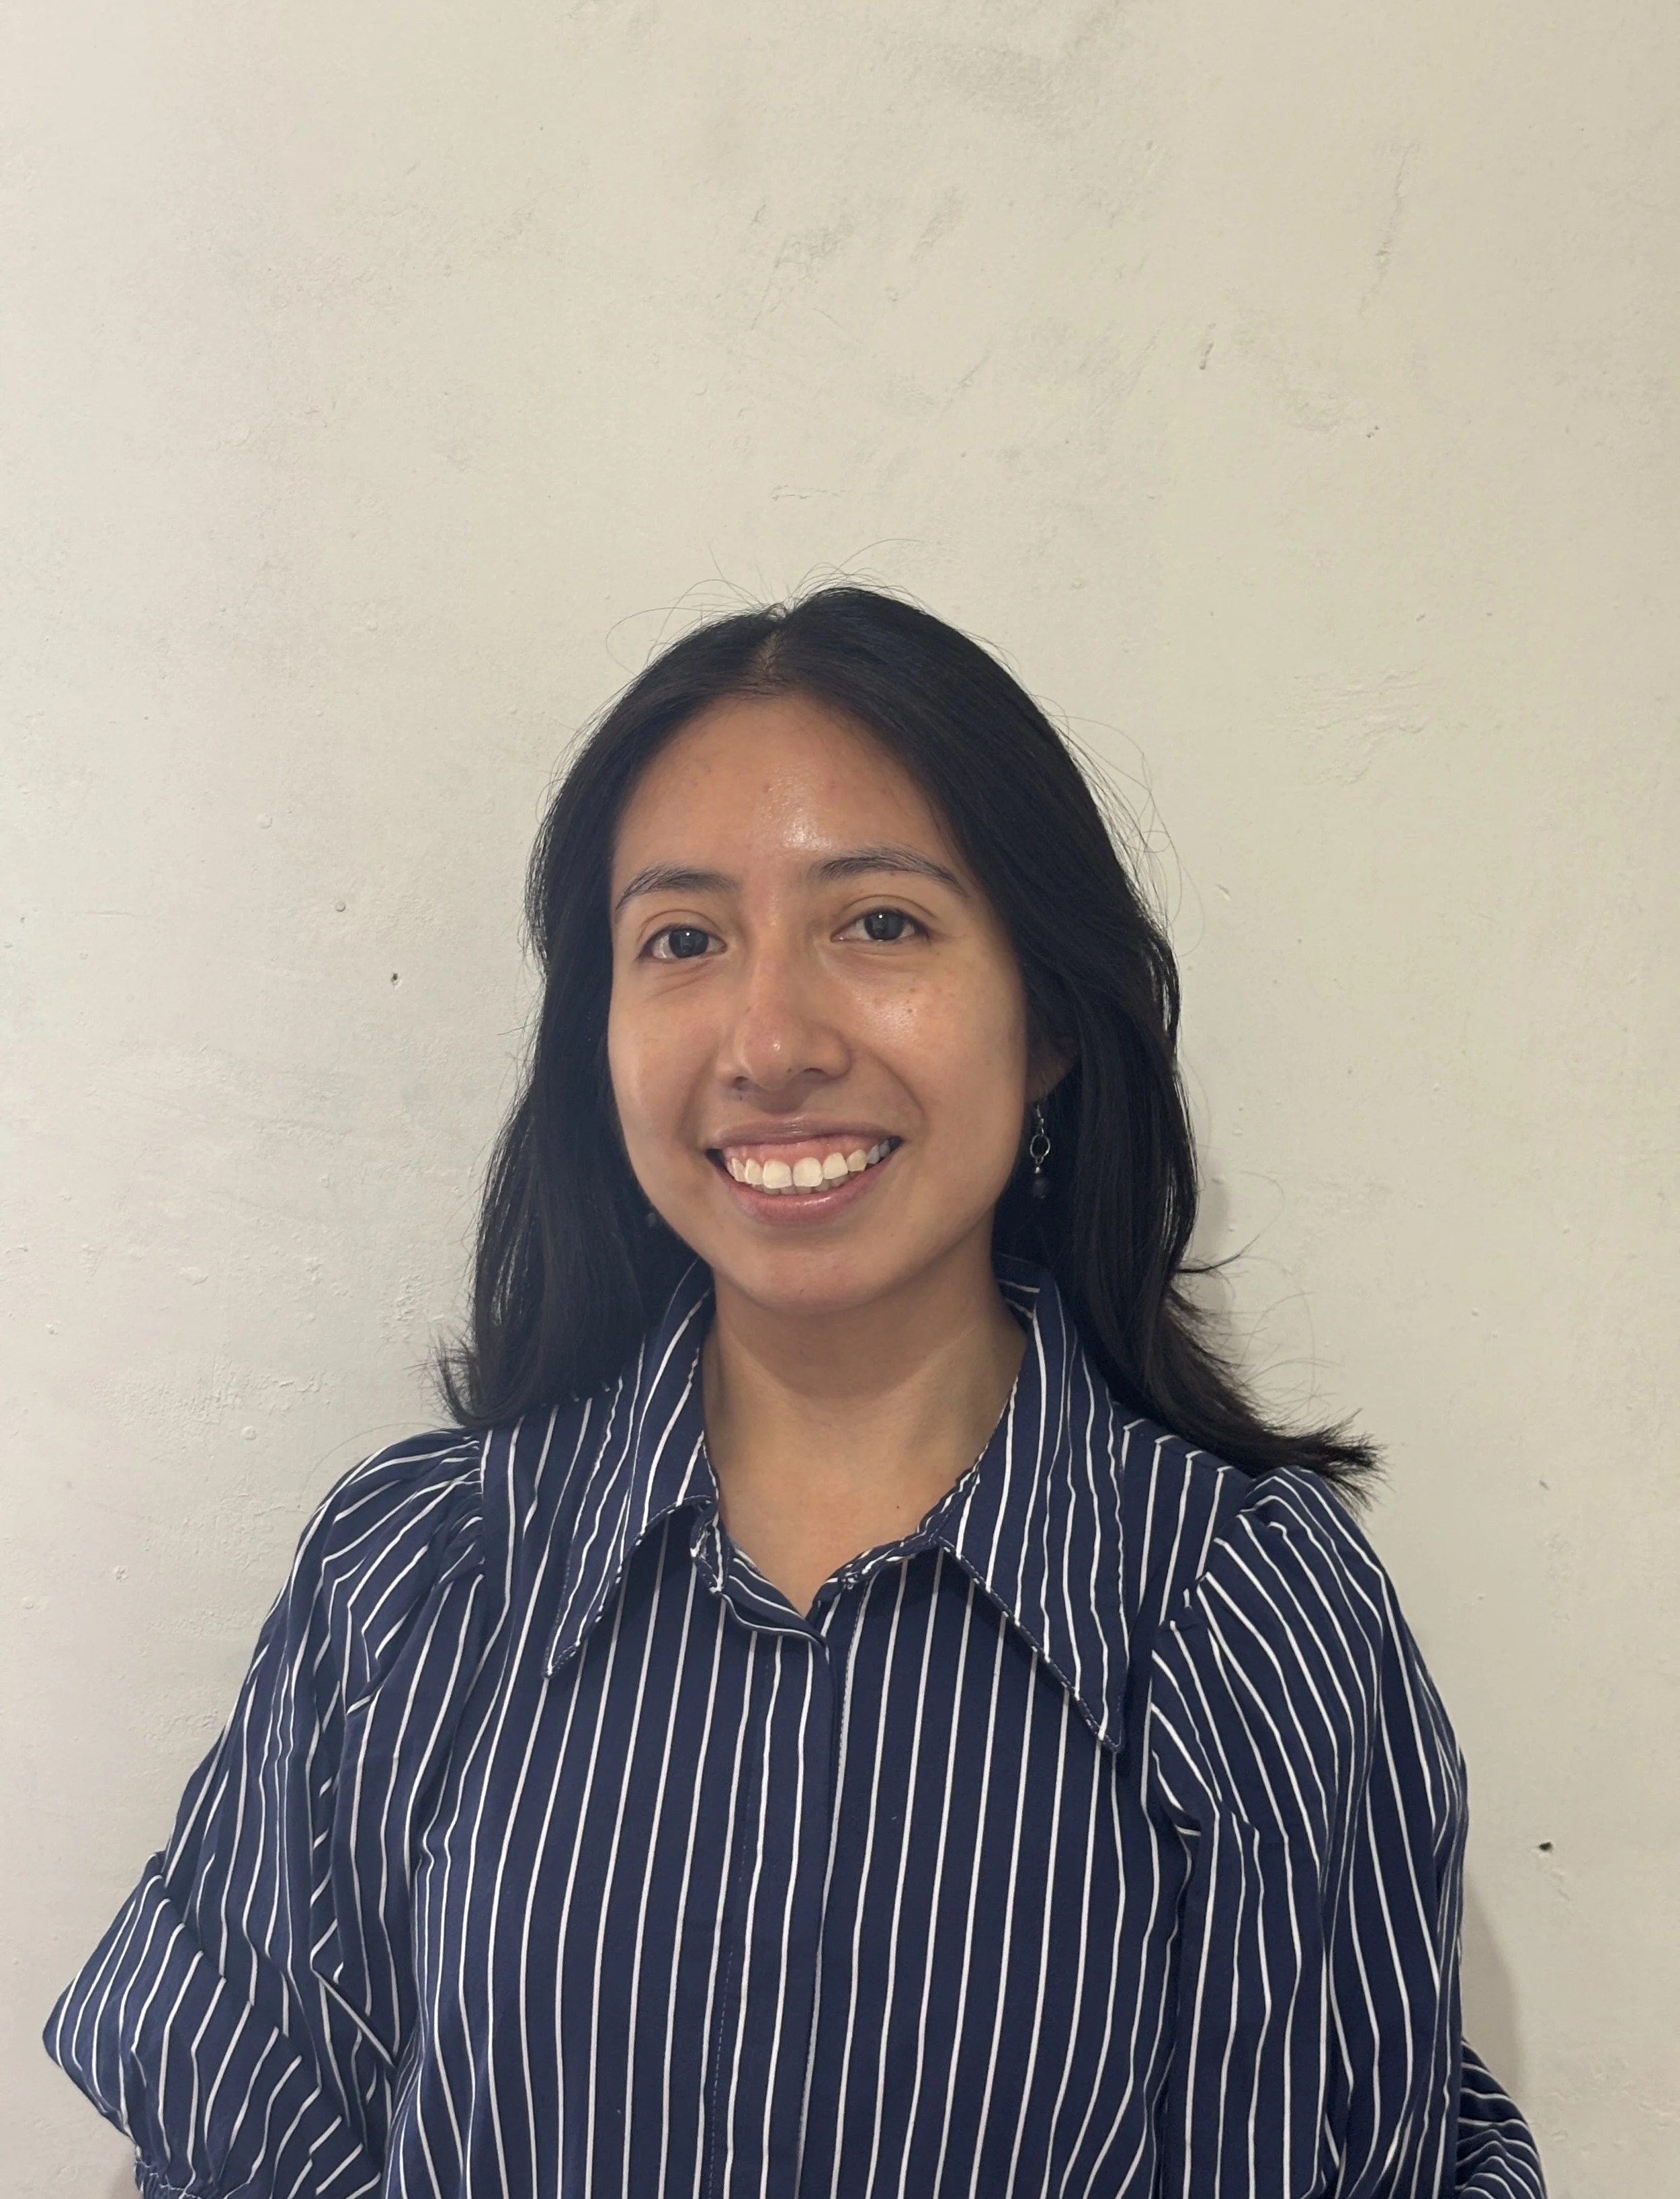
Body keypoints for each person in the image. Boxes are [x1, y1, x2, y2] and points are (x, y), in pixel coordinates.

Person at [45, 587, 1546, 2197]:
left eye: (878, 923)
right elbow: (236, 2143)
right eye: (682, 940)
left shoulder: (1242, 1613)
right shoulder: (415, 1582)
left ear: (1046, 1015)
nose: (768, 1042)